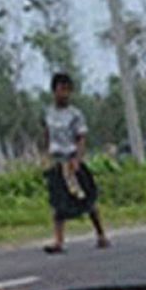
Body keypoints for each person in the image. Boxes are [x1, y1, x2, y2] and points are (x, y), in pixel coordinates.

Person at [42, 72, 108, 254]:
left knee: (86, 199)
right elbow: (47, 135)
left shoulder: (75, 114)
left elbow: (81, 138)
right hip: (57, 161)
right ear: (54, 91)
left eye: (67, 90)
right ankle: (58, 241)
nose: (64, 94)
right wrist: (46, 157)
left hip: (71, 161)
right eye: (61, 90)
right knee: (58, 202)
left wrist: (77, 159)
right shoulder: (48, 113)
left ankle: (101, 234)